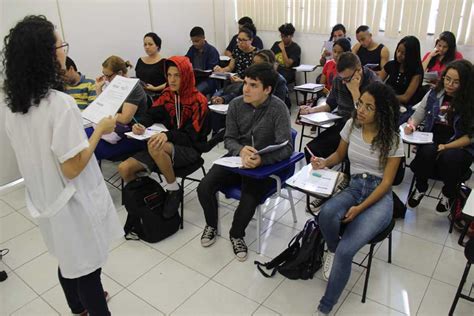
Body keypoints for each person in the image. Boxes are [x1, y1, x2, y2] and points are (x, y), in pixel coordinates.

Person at [3, 15, 123, 315]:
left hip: (45, 197)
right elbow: (72, 168)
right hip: (71, 202)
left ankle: (76, 308)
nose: (64, 50)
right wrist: (99, 129)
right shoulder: (59, 104)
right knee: (87, 268)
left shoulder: (14, 105)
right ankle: (92, 308)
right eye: (60, 45)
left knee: (67, 259)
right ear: (46, 54)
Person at [313, 81, 403, 315]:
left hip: (379, 197)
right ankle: (331, 250)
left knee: (347, 250)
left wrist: (360, 208)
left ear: (381, 112)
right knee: (326, 215)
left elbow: (386, 184)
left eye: (369, 107)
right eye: (360, 103)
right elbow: (339, 155)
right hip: (355, 186)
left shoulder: (392, 139)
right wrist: (324, 162)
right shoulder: (352, 125)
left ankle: (325, 307)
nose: (360, 109)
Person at [197, 63, 293, 261]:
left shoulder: (278, 108)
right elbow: (229, 138)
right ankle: (211, 225)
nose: (246, 89)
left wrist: (261, 160)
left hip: (263, 165)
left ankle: (236, 234)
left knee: (249, 196)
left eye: (253, 85)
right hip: (237, 158)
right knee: (204, 186)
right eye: (246, 83)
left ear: (267, 89)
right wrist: (240, 150)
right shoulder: (236, 105)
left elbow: (286, 147)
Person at [118, 56, 209, 217]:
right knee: (124, 169)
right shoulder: (167, 94)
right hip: (166, 146)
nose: (172, 80)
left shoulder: (199, 101)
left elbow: (192, 137)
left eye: (177, 75)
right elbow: (151, 114)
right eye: (169, 75)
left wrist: (167, 135)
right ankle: (151, 196)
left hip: (190, 149)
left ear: (186, 76)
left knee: (155, 145)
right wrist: (141, 124)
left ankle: (173, 190)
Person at [302, 52, 380, 212]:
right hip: (343, 124)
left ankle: (347, 186)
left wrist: (355, 91)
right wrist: (312, 110)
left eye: (347, 79)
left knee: (351, 154)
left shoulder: (373, 83)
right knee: (312, 150)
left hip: (365, 129)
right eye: (341, 78)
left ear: (358, 71)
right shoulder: (339, 80)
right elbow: (330, 104)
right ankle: (325, 189)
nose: (343, 82)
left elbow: (365, 118)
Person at [406, 59, 474, 215]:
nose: (450, 84)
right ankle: (421, 187)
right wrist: (412, 125)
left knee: (449, 157)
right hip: (434, 135)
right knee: (426, 151)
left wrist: (447, 147)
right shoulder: (435, 93)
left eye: (456, 82)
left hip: (459, 144)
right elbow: (420, 113)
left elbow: (470, 137)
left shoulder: (470, 102)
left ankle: (448, 193)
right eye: (447, 79)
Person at [90, 55, 148, 161]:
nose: (105, 79)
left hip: (131, 133)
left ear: (120, 73)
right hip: (116, 129)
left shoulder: (134, 88)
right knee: (83, 137)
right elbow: (106, 108)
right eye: (104, 75)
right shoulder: (113, 85)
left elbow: (125, 119)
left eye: (108, 76)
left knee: (90, 147)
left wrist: (104, 110)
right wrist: (99, 91)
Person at [379, 36, 424, 123]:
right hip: (387, 102)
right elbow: (377, 82)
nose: (399, 55)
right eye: (398, 51)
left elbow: (405, 98)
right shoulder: (391, 65)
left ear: (411, 55)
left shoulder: (416, 71)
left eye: (403, 53)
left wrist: (385, 96)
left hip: (405, 106)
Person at [185, 26, 219, 96]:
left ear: (203, 38)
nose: (194, 44)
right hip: (195, 78)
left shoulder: (212, 51)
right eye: (192, 41)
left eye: (197, 41)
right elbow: (186, 61)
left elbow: (212, 70)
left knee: (195, 91)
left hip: (208, 80)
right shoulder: (192, 49)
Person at [135, 32, 167, 97]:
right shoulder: (140, 60)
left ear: (157, 46)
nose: (147, 47)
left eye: (150, 44)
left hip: (158, 96)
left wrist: (155, 88)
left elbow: (169, 83)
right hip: (141, 96)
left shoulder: (164, 62)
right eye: (145, 44)